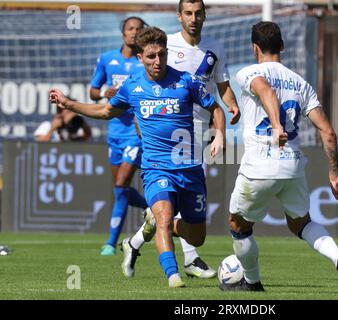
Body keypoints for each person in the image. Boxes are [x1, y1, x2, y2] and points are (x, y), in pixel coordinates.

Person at [49, 26, 225, 288]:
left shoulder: (186, 81)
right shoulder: (132, 86)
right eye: (151, 56)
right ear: (140, 57)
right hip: (156, 168)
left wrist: (219, 134)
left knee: (197, 237)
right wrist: (69, 104)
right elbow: (105, 111)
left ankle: (135, 240)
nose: (158, 61)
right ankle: (173, 276)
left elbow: (215, 108)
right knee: (164, 218)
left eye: (162, 55)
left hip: (189, 168)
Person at [219, 21, 338, 293]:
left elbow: (265, 89)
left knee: (238, 226)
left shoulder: (250, 72)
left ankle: (251, 282)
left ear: (254, 48)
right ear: (282, 47)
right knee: (302, 223)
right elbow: (328, 132)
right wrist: (334, 173)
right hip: (293, 165)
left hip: (260, 165)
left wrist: (276, 126)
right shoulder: (301, 83)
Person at [121, 0, 240, 279]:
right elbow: (146, 85)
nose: (193, 18)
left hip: (200, 130)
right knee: (172, 206)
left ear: (204, 16)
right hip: (169, 130)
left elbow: (223, 87)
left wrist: (231, 107)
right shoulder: (166, 46)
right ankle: (189, 259)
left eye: (198, 13)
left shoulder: (215, 47)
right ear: (179, 17)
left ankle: (136, 242)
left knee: (182, 205)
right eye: (188, 13)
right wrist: (141, 123)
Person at [90, 17, 149, 256]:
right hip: (114, 131)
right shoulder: (107, 59)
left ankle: (111, 242)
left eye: (139, 30)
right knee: (120, 189)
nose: (134, 33)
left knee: (122, 182)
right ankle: (156, 207)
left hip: (135, 133)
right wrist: (105, 92)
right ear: (123, 33)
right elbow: (93, 92)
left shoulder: (144, 62)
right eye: (131, 29)